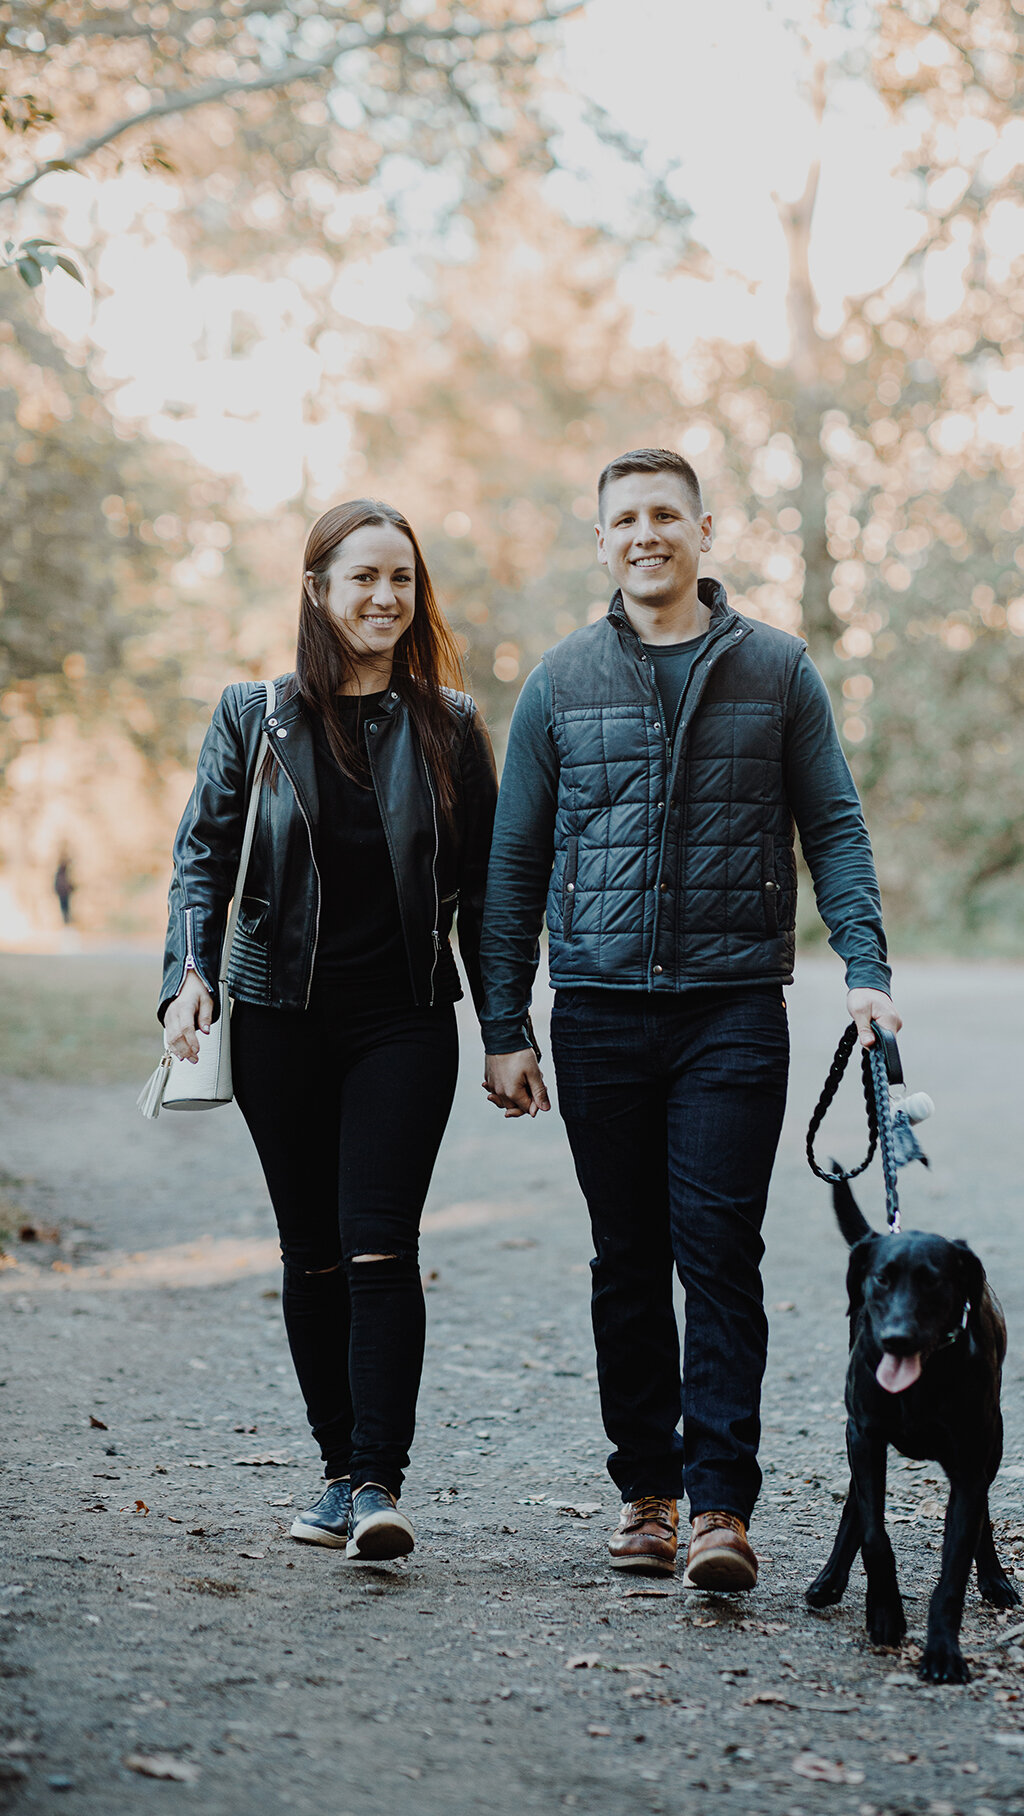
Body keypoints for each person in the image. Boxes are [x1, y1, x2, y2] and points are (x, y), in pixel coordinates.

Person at [480, 447, 897, 1591]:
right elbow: (512, 864)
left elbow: (836, 827)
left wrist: (865, 966)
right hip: (602, 1015)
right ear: (601, 539)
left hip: (731, 1011)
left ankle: (720, 1504)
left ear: (704, 531)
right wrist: (503, 1023)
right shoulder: (561, 679)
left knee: (718, 1253)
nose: (646, 531)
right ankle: (646, 1494)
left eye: (667, 512)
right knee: (626, 1257)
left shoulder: (776, 669)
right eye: (625, 517)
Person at [158, 500, 495, 1563]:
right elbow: (201, 859)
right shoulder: (252, 715)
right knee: (311, 1253)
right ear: (317, 589)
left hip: (402, 1016)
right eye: (363, 578)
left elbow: (486, 892)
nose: (386, 597)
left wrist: (506, 1028)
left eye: (402, 577)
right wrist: (187, 978)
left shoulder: (450, 720)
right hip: (276, 1017)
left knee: (379, 1243)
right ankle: (339, 1468)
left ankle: (379, 1481)